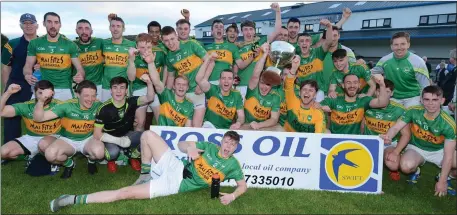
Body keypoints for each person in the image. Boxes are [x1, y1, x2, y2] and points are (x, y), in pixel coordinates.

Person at [49, 130, 247, 212]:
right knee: (147, 135)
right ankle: (145, 173)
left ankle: (71, 198)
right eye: (227, 141)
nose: (228, 146)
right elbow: (181, 143)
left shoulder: (233, 165)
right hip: (175, 166)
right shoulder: (210, 146)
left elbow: (242, 185)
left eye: (233, 144)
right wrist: (190, 148)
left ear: (236, 148)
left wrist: (233, 196)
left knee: (125, 193)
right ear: (222, 141)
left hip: (175, 184)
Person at [380, 86, 456, 196]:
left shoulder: (449, 123)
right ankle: (415, 171)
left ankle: (447, 176)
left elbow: (448, 156)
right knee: (406, 166)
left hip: (439, 151)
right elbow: (396, 127)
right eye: (427, 99)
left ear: (442, 100)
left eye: (435, 100)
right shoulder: (413, 111)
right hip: (416, 148)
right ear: (421, 100)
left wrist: (442, 181)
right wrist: (388, 135)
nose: (430, 103)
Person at [33, 80, 104, 179]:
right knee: (50, 155)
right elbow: (38, 118)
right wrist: (41, 101)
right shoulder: (67, 106)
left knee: (99, 153)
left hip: (88, 139)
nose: (91, 99)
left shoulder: (99, 105)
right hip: (68, 140)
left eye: (93, 95)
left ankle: (91, 161)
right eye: (86, 95)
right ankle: (69, 164)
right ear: (78, 95)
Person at [94, 76, 155, 173]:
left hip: (127, 135)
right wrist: (118, 141)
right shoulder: (104, 108)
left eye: (122, 88)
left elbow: (150, 97)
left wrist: (149, 83)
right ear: (111, 91)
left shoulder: (131, 101)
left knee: (147, 136)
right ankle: (112, 160)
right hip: (111, 138)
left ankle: (133, 156)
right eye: (115, 88)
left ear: (126, 91)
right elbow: (97, 134)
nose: (118, 91)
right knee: (112, 153)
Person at [23, 12, 85, 101]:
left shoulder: (70, 44)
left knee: (64, 115)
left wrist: (80, 75)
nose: (53, 25)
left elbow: (80, 69)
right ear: (44, 23)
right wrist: (27, 75)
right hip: (42, 88)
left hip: (64, 89)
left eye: (56, 22)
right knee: (37, 114)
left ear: (60, 25)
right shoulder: (34, 43)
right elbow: (28, 66)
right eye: (49, 22)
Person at [0, 81, 61, 163]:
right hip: (31, 137)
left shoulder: (60, 105)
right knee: (3, 152)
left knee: (43, 144)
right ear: (34, 92)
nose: (44, 96)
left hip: (53, 137)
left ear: (53, 93)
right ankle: (32, 155)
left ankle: (54, 162)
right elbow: (2, 112)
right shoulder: (27, 106)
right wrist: (8, 92)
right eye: (40, 92)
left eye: (47, 93)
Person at [2, 13, 39, 145]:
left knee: (39, 115)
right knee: (11, 117)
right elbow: (6, 67)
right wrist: (7, 86)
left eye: (31, 23)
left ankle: (38, 147)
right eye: (25, 23)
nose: (28, 26)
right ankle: (10, 147)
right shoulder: (12, 44)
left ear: (37, 25)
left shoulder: (43, 43)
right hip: (17, 84)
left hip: (38, 85)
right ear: (21, 25)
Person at [162, 26, 210, 127]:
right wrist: (168, 95)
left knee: (196, 127)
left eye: (172, 39)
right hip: (182, 95)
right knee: (183, 127)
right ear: (162, 41)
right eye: (166, 41)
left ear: (176, 36)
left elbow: (209, 61)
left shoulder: (191, 44)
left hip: (198, 92)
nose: (170, 43)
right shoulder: (169, 57)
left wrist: (202, 83)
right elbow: (170, 77)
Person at [363, 79, 410, 181]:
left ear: (392, 93)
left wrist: (396, 152)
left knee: (392, 164)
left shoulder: (399, 109)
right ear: (375, 91)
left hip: (388, 143)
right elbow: (361, 125)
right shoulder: (367, 104)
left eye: (387, 92)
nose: (382, 95)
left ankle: (393, 169)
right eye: (380, 91)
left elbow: (406, 135)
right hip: (370, 141)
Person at [372, 31, 430, 108]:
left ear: (408, 45)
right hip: (393, 97)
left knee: (410, 119)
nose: (399, 48)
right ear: (391, 46)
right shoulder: (384, 60)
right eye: (396, 45)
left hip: (413, 98)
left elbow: (425, 86)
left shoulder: (418, 62)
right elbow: (371, 73)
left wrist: (425, 101)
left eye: (403, 44)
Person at [237, 3, 282, 100]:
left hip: (257, 86)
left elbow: (278, 30)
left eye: (250, 29)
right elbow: (237, 67)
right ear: (241, 32)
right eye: (245, 30)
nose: (248, 32)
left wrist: (278, 12)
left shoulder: (260, 42)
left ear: (254, 31)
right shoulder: (237, 47)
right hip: (241, 86)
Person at [319, 74, 389, 134]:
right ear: (343, 85)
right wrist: (321, 107)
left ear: (359, 85)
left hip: (355, 141)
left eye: (355, 82)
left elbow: (382, 103)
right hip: (335, 140)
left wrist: (382, 84)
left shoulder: (363, 100)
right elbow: (316, 105)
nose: (352, 85)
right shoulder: (334, 99)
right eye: (348, 83)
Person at [196, 53, 245, 130]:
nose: (226, 81)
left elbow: (241, 116)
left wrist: (238, 123)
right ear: (219, 81)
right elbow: (198, 79)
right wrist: (207, 60)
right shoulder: (212, 89)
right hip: (209, 127)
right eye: (223, 78)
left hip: (226, 130)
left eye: (229, 78)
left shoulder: (237, 94)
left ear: (233, 81)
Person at [241, 43, 282, 131]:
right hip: (245, 126)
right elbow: (256, 74)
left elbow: (274, 119)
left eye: (268, 84)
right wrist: (264, 55)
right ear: (258, 81)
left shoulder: (276, 97)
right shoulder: (252, 89)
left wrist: (259, 125)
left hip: (262, 128)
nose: (264, 87)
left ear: (272, 85)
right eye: (262, 83)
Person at [127, 33, 163, 131]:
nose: (146, 50)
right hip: (139, 90)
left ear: (152, 45)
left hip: (154, 90)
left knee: (161, 120)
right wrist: (131, 60)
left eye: (148, 47)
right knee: (140, 122)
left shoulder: (158, 55)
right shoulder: (134, 57)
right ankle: (138, 144)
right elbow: (131, 78)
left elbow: (167, 70)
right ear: (136, 47)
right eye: (142, 47)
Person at [283, 55, 327, 133]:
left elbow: (318, 136)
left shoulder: (318, 113)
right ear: (299, 93)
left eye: (311, 90)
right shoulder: (292, 101)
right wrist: (294, 68)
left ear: (315, 95)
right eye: (304, 89)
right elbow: (288, 84)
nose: (307, 92)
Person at [293, 18, 334, 102]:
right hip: (302, 92)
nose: (304, 43)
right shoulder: (295, 58)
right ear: (298, 44)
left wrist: (329, 26)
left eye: (307, 41)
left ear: (311, 43)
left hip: (318, 91)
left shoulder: (317, 53)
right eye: (301, 41)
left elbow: (329, 41)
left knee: (319, 113)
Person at [205, 19, 253, 85]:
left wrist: (254, 55)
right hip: (210, 84)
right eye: (216, 27)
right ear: (212, 31)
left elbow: (241, 65)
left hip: (227, 83)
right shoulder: (205, 48)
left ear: (223, 31)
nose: (219, 29)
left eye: (221, 27)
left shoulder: (233, 47)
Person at [100, 16, 136, 102]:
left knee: (122, 114)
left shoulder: (131, 44)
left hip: (123, 87)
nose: (115, 29)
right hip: (106, 86)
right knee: (105, 113)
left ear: (123, 29)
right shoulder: (104, 43)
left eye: (118, 26)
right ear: (109, 28)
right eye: (113, 26)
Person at [145, 21, 168, 128]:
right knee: (146, 116)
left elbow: (167, 66)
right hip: (143, 85)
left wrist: (163, 84)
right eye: (151, 32)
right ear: (148, 32)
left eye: (157, 32)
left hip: (158, 85)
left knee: (160, 115)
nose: (154, 35)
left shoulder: (163, 47)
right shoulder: (142, 46)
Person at [74, 19, 104, 100]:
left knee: (98, 110)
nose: (84, 31)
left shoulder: (99, 42)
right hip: (81, 86)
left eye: (87, 28)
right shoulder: (72, 45)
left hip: (98, 85)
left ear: (91, 31)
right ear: (76, 31)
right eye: (80, 28)